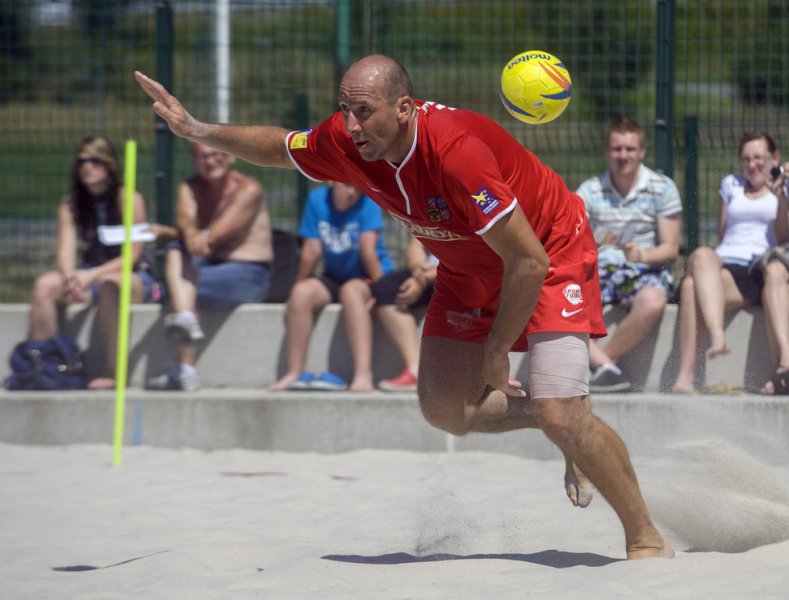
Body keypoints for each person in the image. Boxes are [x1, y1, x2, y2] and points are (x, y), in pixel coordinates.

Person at [135, 54, 673, 559]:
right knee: (446, 411)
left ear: (404, 108)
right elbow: (280, 146)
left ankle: (645, 536)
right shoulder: (350, 141)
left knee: (563, 412)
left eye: (362, 112)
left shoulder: (457, 154)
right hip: (468, 267)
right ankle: (559, 424)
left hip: (547, 251)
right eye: (344, 110)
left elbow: (527, 263)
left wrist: (493, 354)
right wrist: (200, 130)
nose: (348, 126)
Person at [26, 135, 158, 390]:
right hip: (87, 274)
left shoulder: (129, 198)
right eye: (82, 161)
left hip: (129, 276)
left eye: (95, 160)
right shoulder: (71, 204)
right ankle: (44, 365)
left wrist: (91, 276)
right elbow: (65, 253)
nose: (87, 167)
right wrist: (70, 278)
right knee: (45, 285)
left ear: (108, 164)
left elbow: (133, 255)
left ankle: (111, 371)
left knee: (110, 283)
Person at [146, 143, 274, 391]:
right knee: (176, 255)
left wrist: (172, 232)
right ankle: (185, 337)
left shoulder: (249, 189)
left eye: (216, 154)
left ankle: (183, 368)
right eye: (202, 156)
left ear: (230, 158)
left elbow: (214, 237)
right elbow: (186, 220)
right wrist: (183, 233)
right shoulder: (191, 187)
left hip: (249, 275)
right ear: (194, 161)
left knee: (180, 282)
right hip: (209, 268)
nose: (210, 161)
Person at [671, 132, 789, 395]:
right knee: (699, 260)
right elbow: (724, 234)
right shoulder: (731, 185)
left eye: (759, 158)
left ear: (774, 158)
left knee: (691, 287)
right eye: (746, 159)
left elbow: (782, 237)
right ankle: (708, 348)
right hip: (728, 264)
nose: (752, 165)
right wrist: (713, 264)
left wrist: (781, 196)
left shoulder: (783, 187)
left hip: (760, 263)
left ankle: (689, 371)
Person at [576, 117, 682, 393]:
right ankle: (606, 368)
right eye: (617, 149)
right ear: (607, 151)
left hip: (643, 268)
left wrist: (642, 255)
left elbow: (671, 248)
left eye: (630, 149)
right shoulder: (589, 191)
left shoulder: (663, 187)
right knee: (559, 300)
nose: (623, 156)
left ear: (642, 152)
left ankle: (603, 363)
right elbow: (575, 241)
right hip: (598, 269)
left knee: (654, 301)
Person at [268, 181, 394, 393]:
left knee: (351, 292)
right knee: (301, 294)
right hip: (334, 274)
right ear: (331, 182)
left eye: (356, 187)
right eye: (346, 186)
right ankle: (294, 371)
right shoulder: (317, 200)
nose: (352, 192)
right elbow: (311, 250)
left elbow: (368, 253)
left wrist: (382, 291)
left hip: (368, 275)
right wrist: (296, 286)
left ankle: (362, 374)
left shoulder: (368, 201)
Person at [373, 236, 437, 392]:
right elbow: (417, 243)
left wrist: (426, 277)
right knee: (385, 288)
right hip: (427, 275)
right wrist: (418, 273)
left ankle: (487, 371)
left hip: (462, 275)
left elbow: (472, 257)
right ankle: (415, 370)